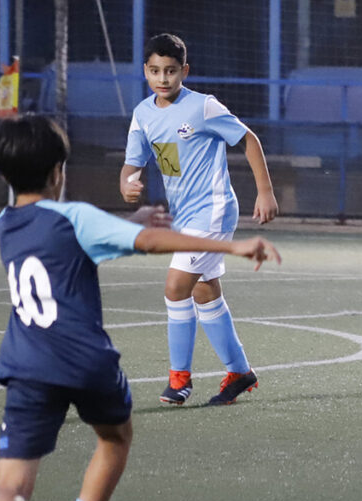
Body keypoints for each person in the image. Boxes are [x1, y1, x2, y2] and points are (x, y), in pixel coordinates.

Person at [0, 115, 280, 501]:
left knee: (10, 486)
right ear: (58, 171)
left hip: (26, 367)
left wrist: (127, 225)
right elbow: (148, 242)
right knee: (114, 439)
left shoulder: (6, 225)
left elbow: (72, 245)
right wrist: (232, 245)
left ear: (7, 176)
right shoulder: (75, 217)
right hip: (87, 362)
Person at [119, 33, 279, 406]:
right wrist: (127, 184)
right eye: (156, 71)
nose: (163, 78)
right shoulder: (143, 114)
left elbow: (249, 139)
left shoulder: (203, 107)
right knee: (203, 291)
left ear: (184, 71)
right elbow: (132, 163)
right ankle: (240, 373)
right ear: (145, 71)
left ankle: (179, 381)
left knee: (175, 287)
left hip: (214, 210)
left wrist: (266, 191)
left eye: (171, 71)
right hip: (185, 216)